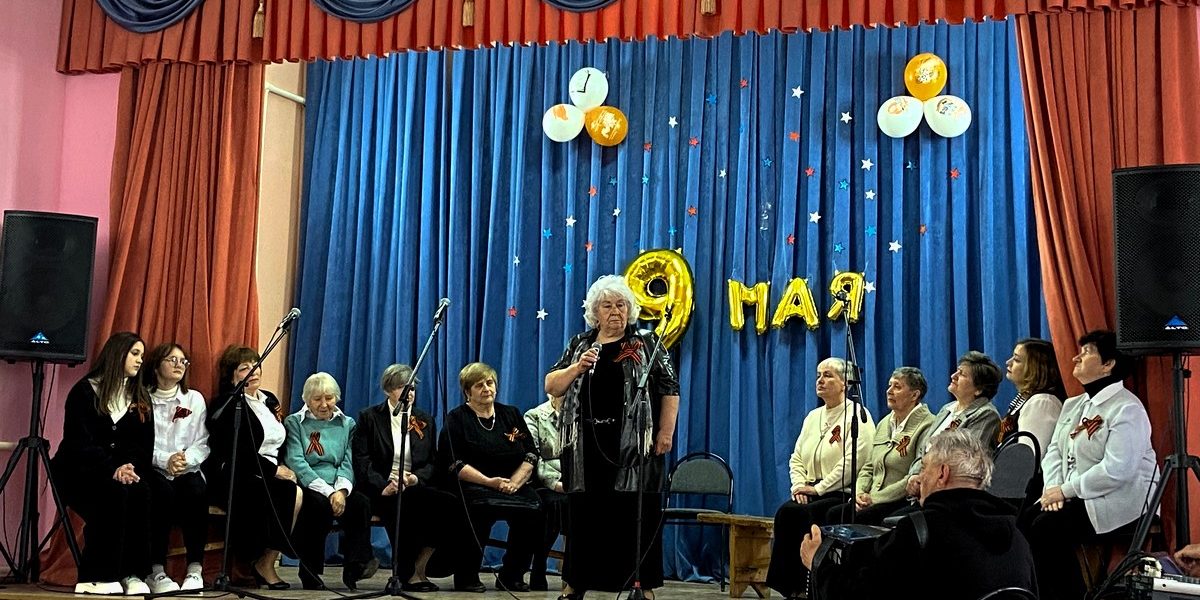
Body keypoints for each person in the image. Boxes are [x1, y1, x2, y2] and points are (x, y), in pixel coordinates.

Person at [544, 275, 681, 600]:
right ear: (595, 312)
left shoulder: (646, 342)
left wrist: (665, 432)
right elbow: (552, 385)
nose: (615, 311)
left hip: (635, 445)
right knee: (584, 516)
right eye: (607, 306)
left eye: (621, 304)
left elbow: (670, 387)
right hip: (585, 445)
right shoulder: (580, 344)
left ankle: (642, 586)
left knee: (635, 515)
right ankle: (575, 584)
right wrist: (576, 368)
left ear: (630, 309)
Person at [799, 429, 1038, 599]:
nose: (920, 478)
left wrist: (818, 562)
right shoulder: (1017, 536)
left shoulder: (920, 530)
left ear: (942, 474)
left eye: (924, 468)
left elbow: (859, 593)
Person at [1022, 329, 1157, 600]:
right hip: (1073, 494)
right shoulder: (1073, 405)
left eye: (1086, 352)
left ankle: (1071, 596)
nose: (1076, 358)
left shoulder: (1127, 408)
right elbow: (1054, 452)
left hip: (1119, 498)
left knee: (1046, 529)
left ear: (1108, 364)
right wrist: (1054, 489)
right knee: (1023, 522)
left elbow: (1117, 470)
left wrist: (1065, 491)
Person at [51, 332, 155, 595]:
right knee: (112, 495)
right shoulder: (84, 391)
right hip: (79, 472)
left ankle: (132, 573)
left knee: (141, 492)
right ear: (117, 353)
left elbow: (143, 446)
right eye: (134, 353)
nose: (140, 360)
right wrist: (112, 469)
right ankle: (95, 576)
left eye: (142, 355)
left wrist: (129, 468)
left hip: (122, 473)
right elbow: (78, 442)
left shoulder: (140, 397)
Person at [766, 356, 876, 599]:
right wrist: (799, 485)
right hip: (809, 488)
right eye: (818, 375)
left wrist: (819, 489)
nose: (820, 380)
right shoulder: (813, 417)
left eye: (828, 375)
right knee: (786, 512)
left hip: (840, 491)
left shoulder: (857, 415)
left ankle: (810, 585)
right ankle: (788, 587)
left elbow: (854, 460)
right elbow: (796, 457)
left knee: (805, 515)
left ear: (845, 383)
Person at [204, 345, 308, 590]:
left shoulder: (269, 400)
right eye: (244, 368)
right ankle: (264, 562)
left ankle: (270, 560)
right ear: (232, 375)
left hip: (271, 466)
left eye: (255, 365)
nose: (254, 371)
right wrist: (274, 471)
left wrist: (283, 466)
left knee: (305, 495)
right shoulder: (227, 403)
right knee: (290, 492)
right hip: (240, 470)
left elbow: (280, 439)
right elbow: (237, 451)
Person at [439, 362, 543, 593]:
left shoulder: (510, 414)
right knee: (478, 510)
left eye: (490, 383)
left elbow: (530, 454)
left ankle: (511, 575)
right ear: (467, 391)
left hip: (512, 483)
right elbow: (454, 463)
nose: (487, 388)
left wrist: (515, 482)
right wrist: (489, 482)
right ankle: (467, 576)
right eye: (479, 385)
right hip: (476, 484)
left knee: (534, 509)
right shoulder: (456, 418)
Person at [352, 363, 454, 593]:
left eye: (412, 388)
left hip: (413, 485)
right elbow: (362, 460)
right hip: (381, 488)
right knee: (404, 506)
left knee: (448, 504)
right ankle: (407, 573)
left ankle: (421, 565)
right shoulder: (370, 417)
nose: (409, 393)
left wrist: (415, 478)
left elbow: (432, 461)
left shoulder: (425, 419)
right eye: (402, 388)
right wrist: (383, 485)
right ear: (388, 390)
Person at [283, 372, 376, 590]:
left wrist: (341, 491)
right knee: (318, 506)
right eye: (317, 399)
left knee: (361, 504)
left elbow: (348, 460)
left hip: (340, 484)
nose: (324, 404)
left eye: (329, 398)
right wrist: (329, 492)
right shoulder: (294, 422)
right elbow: (296, 461)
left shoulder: (347, 424)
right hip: (310, 483)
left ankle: (355, 567)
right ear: (307, 400)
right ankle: (309, 570)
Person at [824, 367, 935, 525]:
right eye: (889, 385)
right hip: (871, 497)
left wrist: (875, 498)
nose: (889, 391)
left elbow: (916, 473)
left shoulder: (928, 424)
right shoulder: (884, 423)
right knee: (835, 514)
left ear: (914, 395)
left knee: (861, 518)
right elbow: (869, 466)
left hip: (901, 499)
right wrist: (859, 493)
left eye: (897, 387)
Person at [142, 342, 209, 593]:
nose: (179, 365)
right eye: (172, 360)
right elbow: (138, 444)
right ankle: (156, 570)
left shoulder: (194, 398)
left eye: (183, 361)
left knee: (196, 491)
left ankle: (195, 569)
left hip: (186, 467)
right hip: (153, 468)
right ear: (156, 365)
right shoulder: (143, 398)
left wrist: (185, 460)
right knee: (161, 494)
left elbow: (203, 442)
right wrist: (164, 460)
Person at [898, 351, 1002, 508]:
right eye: (957, 371)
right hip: (924, 488)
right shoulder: (947, 409)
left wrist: (926, 479)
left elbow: (966, 462)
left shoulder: (986, 415)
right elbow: (924, 449)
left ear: (979, 389)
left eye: (962, 374)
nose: (953, 376)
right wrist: (914, 475)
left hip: (952, 499)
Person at [524, 393, 569, 591]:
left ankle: (575, 572)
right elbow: (533, 457)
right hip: (544, 481)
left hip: (575, 480)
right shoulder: (534, 416)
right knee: (555, 504)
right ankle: (539, 563)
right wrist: (555, 483)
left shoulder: (581, 416)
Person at [1001, 338, 1065, 451]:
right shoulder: (1024, 397)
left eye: (1016, 360)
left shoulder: (1042, 403)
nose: (1008, 362)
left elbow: (1030, 453)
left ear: (1035, 368)